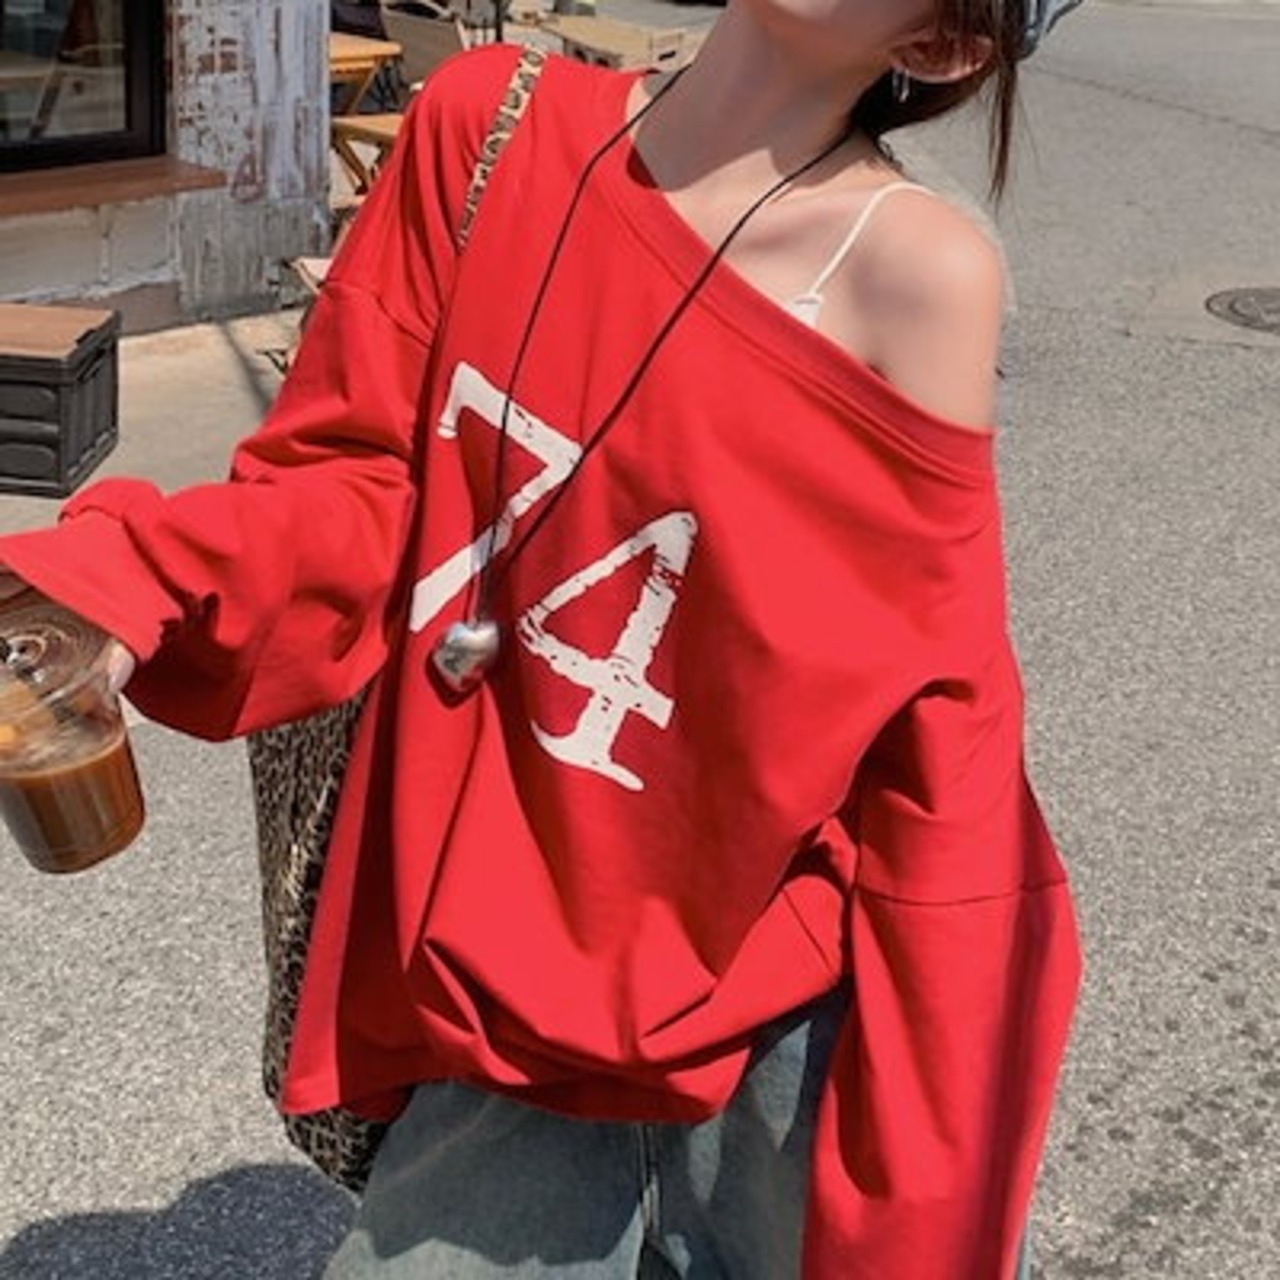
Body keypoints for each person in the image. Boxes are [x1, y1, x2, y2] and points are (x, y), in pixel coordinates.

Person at [0, 0, 1085, 1275]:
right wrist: (126, 581)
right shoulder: (488, 128)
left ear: (942, 44)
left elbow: (940, 725)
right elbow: (355, 485)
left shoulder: (916, 276)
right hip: (505, 1009)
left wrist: (926, 1170)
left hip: (779, 1034)